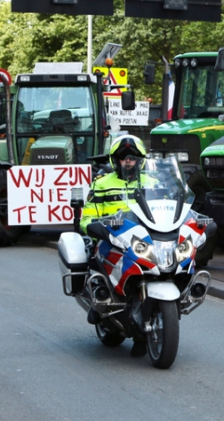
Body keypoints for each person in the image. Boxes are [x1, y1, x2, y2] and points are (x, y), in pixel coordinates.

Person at [79, 134, 152, 358]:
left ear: (141, 159)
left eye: (133, 157)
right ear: (116, 160)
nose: (128, 161)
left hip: (145, 240)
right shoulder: (102, 184)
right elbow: (87, 218)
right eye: (123, 157)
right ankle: (99, 306)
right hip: (112, 240)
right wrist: (97, 228)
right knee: (105, 264)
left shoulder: (153, 183)